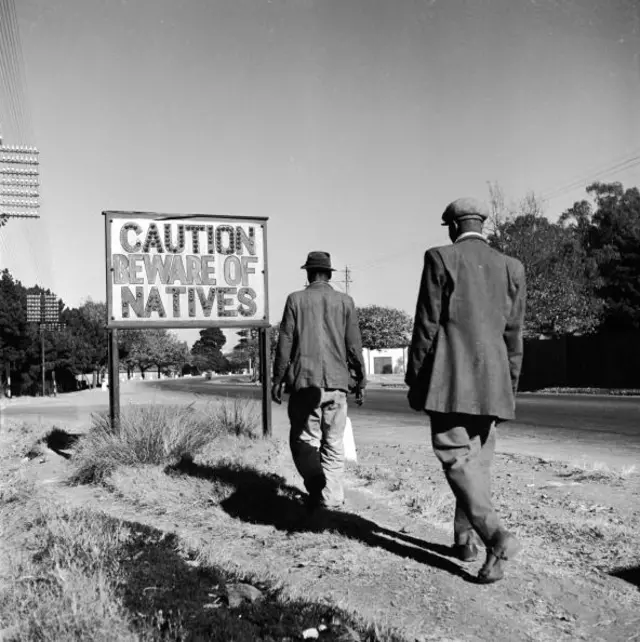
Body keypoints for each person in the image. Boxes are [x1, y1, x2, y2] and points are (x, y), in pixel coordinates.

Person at [405, 197, 527, 584]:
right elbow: (514, 335)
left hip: (450, 379)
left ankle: (495, 536)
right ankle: (464, 540)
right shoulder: (512, 267)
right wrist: (510, 384)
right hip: (493, 382)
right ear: (482, 225)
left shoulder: (440, 258)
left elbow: (427, 325)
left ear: (453, 227)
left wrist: (416, 378)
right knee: (476, 465)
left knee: (455, 458)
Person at [272, 250, 366, 516]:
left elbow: (285, 343)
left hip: (305, 382)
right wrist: (361, 379)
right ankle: (333, 499)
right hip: (338, 383)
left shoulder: (295, 300)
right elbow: (354, 345)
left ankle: (316, 485)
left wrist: (278, 379)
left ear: (308, 273)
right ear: (329, 273)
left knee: (304, 440)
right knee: (334, 443)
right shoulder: (345, 301)